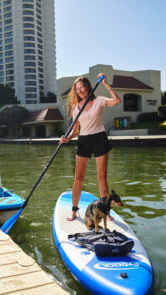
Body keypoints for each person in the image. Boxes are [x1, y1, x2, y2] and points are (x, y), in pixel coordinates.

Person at [59, 73, 121, 221]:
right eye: (77, 89)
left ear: (88, 87)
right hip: (84, 140)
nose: (80, 91)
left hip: (99, 138)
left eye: (82, 87)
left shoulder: (99, 100)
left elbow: (117, 101)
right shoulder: (76, 108)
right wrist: (67, 139)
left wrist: (106, 84)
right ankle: (74, 210)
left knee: (102, 178)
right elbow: (75, 130)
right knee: (78, 178)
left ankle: (106, 211)